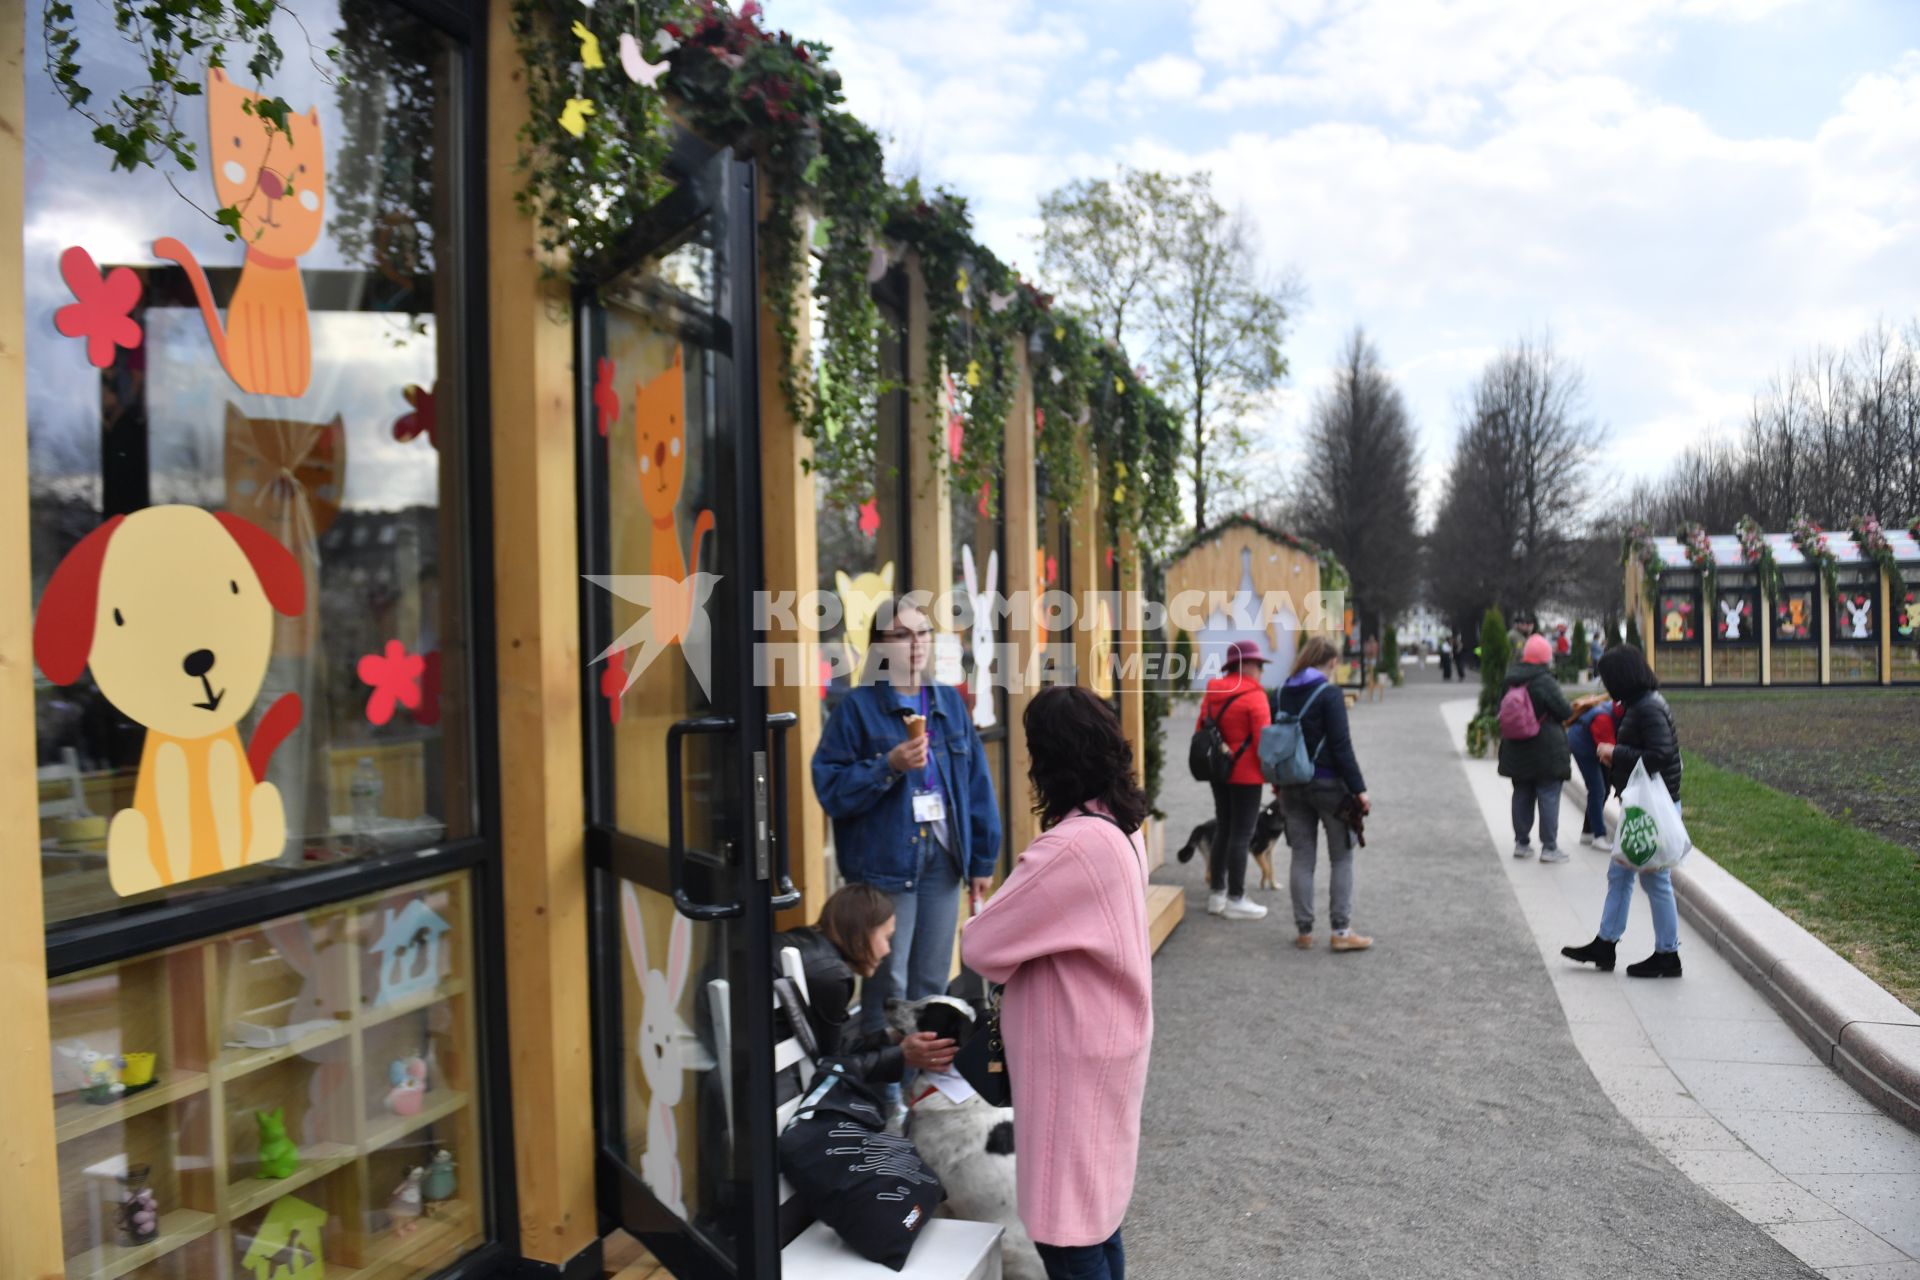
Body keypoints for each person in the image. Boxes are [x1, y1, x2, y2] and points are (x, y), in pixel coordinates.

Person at [964, 685, 1153, 1280]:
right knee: (1098, 1217)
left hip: (1070, 1053)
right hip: (1107, 1036)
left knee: (1068, 1235)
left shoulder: (1070, 845)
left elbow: (980, 943)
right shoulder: (1120, 822)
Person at [811, 596, 1002, 1053]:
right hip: (883, 866)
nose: (915, 645)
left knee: (933, 979)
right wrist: (888, 765)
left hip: (941, 860)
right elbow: (830, 788)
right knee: (888, 985)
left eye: (922, 634)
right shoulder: (857, 709)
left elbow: (976, 782)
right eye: (902, 635)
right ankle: (886, 1090)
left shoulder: (947, 704)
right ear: (879, 646)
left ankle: (924, 1090)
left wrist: (982, 857)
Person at [1562, 646, 1685, 978]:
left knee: (1655, 879)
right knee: (1621, 873)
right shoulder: (1642, 704)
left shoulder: (1647, 708)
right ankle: (1606, 943)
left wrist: (1616, 752)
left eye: (1608, 677)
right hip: (1643, 807)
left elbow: (1660, 753)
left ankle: (1667, 954)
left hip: (1652, 810)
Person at [775, 884, 961, 1082]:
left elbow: (834, 1045)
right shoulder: (833, 976)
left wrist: (890, 1037)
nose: (888, 950)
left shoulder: (805, 939)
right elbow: (831, 1065)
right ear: (859, 935)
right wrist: (901, 1056)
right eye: (887, 938)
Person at [1273, 635, 1373, 950]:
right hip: (1330, 785)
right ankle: (1341, 933)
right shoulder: (1329, 694)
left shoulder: (1281, 692)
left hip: (1291, 784)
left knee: (1301, 857)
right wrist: (1359, 789)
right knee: (1341, 857)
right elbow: (1342, 747)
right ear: (1331, 661)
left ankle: (1304, 932)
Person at [1195, 639, 1271, 920]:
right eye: (1259, 664)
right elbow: (1265, 743)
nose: (1261, 670)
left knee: (1224, 828)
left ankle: (1217, 894)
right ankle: (1237, 898)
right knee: (1243, 834)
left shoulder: (1212, 693)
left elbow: (1201, 731)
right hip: (1248, 775)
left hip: (1219, 773)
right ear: (1245, 665)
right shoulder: (1255, 696)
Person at [1500, 633, 1574, 863]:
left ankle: (1522, 843)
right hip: (1546, 747)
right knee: (1548, 794)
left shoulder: (1510, 679)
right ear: (1545, 657)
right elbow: (1564, 711)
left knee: (1521, 792)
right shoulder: (1544, 680)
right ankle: (1549, 847)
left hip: (1516, 746)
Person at [1565, 694, 1617, 850]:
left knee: (1604, 789)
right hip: (1583, 747)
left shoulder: (1617, 712)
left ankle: (1587, 832)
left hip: (1593, 743)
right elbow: (1610, 754)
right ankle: (1598, 836)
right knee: (1597, 790)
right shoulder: (1604, 719)